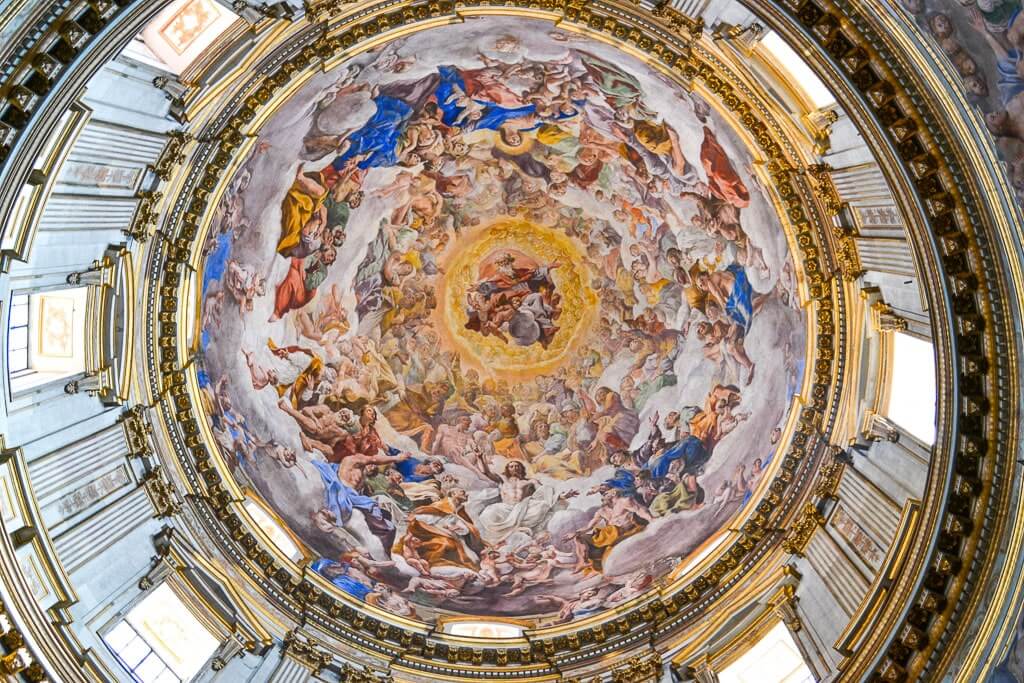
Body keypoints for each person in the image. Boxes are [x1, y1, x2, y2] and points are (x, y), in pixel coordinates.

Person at [567, 488, 653, 574]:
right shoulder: (601, 511)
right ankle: (583, 561)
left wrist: (651, 519)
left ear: (614, 492)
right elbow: (589, 526)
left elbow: (640, 510)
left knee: (609, 533)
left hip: (623, 531)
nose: (602, 497)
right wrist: (576, 533)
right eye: (602, 495)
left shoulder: (624, 501)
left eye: (605, 493)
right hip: (609, 535)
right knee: (579, 538)